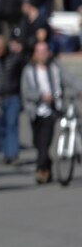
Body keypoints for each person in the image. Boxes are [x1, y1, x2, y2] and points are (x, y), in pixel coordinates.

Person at [21, 41, 76, 185]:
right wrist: (41, 96)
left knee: (45, 144)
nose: (43, 54)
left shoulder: (55, 67)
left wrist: (79, 89)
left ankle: (41, 171)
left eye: (45, 51)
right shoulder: (29, 70)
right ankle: (47, 167)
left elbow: (70, 80)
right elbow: (26, 92)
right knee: (38, 143)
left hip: (52, 111)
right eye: (39, 51)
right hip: (36, 111)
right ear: (35, 53)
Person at [0, 34, 27, 165]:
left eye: (1, 47)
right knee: (2, 127)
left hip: (13, 95)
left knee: (12, 124)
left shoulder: (15, 58)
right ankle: (6, 153)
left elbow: (25, 69)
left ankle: (13, 153)